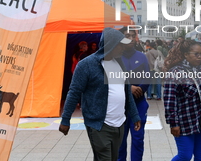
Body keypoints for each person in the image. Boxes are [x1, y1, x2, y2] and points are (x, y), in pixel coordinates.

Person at [59, 27, 141, 161]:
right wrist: (65, 119)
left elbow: (126, 92)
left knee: (113, 158)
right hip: (99, 124)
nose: (123, 48)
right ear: (111, 45)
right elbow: (74, 92)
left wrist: (135, 114)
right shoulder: (86, 65)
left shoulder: (120, 63)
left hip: (119, 123)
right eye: (120, 45)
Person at [163, 40, 201, 161]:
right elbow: (170, 100)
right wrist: (173, 123)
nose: (200, 57)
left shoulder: (200, 70)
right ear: (185, 54)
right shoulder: (175, 72)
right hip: (184, 122)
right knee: (185, 156)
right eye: (196, 54)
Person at [118, 27, 150, 161]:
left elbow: (147, 78)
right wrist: (129, 88)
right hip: (120, 106)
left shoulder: (142, 57)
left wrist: (139, 89)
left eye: (132, 35)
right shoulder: (115, 58)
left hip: (139, 104)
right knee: (120, 142)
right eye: (126, 35)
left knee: (138, 140)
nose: (130, 38)